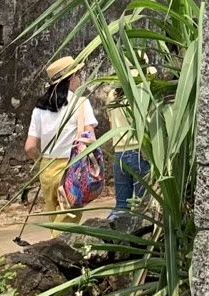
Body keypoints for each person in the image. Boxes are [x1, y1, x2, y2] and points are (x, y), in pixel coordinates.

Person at [24, 56, 97, 216]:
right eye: (78, 74)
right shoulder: (81, 103)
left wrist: (41, 161)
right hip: (71, 168)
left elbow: (30, 147)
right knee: (68, 224)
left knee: (54, 219)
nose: (80, 79)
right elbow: (91, 139)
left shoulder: (39, 109)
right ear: (71, 77)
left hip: (47, 169)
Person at [108, 67, 151, 219]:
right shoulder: (141, 92)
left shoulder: (112, 95)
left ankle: (113, 235)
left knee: (121, 205)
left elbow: (110, 120)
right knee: (141, 205)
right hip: (139, 151)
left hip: (119, 152)